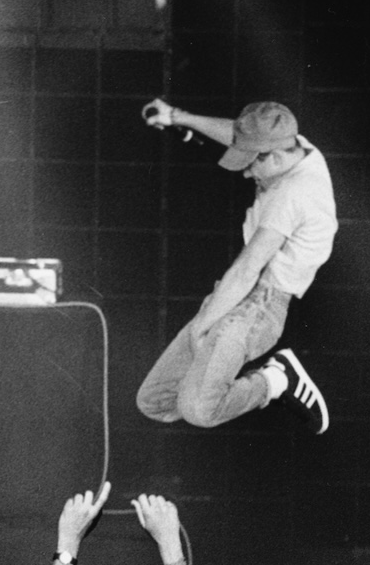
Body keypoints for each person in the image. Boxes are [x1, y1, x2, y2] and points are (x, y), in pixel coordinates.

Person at [136, 99, 337, 434]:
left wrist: (204, 325)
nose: (246, 172)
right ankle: (210, 385)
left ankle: (275, 379)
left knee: (199, 410)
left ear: (273, 157)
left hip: (261, 307)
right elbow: (238, 133)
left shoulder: (293, 196)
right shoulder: (295, 145)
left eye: (250, 165)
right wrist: (177, 116)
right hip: (239, 297)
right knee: (155, 400)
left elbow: (247, 270)